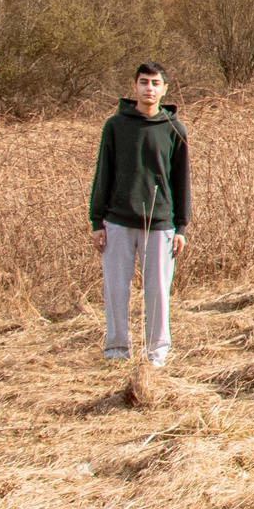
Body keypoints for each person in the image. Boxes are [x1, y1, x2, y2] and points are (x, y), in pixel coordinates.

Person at [89, 61, 190, 367]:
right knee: (116, 290)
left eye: (155, 83)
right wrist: (97, 221)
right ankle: (117, 351)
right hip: (117, 221)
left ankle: (156, 353)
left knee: (158, 292)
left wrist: (181, 227)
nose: (149, 88)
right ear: (134, 86)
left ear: (164, 89)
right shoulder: (115, 126)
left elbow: (181, 181)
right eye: (144, 82)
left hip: (160, 224)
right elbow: (102, 174)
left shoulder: (174, 130)